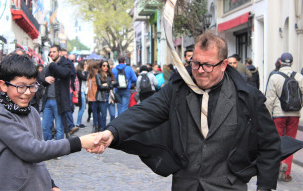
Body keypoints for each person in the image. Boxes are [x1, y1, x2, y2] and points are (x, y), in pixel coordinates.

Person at [92, 32, 281, 191]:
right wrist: (112, 131)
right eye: (195, 63)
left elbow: (269, 144)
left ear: (223, 65)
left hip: (228, 186)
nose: (199, 70)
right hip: (186, 184)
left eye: (208, 65)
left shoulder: (247, 98)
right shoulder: (177, 90)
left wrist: (265, 187)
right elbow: (145, 111)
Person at [0, 54, 98, 190]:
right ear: (4, 85)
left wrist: (50, 184)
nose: (27, 92)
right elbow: (32, 150)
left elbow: (39, 159)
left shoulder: (32, 112)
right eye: (21, 87)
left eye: (32, 86)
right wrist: (79, 142)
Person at [265, 52, 303, 182]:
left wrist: (267, 116)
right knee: (291, 141)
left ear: (280, 62)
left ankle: (278, 167)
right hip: (294, 115)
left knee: (277, 142)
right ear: (292, 63)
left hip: (278, 114)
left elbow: (269, 99)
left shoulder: (274, 77)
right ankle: (287, 173)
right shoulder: (299, 77)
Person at [42, 45, 78, 143]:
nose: (51, 54)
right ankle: (48, 148)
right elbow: (42, 79)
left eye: (54, 52)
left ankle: (58, 150)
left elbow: (64, 73)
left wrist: (52, 65)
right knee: (45, 127)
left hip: (59, 101)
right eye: (51, 52)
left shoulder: (66, 63)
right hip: (48, 100)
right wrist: (45, 79)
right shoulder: (50, 65)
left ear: (59, 53)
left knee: (59, 127)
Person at [60, 48, 78, 136]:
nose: (64, 57)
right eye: (63, 55)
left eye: (65, 55)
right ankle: (68, 127)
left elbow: (74, 78)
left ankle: (69, 127)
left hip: (68, 90)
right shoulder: (57, 64)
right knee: (65, 109)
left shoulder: (69, 64)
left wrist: (75, 90)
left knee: (68, 108)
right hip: (60, 91)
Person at [76, 60, 88, 128]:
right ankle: (78, 123)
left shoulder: (82, 72)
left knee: (82, 107)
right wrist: (86, 71)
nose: (86, 65)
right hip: (81, 91)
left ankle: (79, 122)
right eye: (85, 64)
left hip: (83, 91)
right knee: (82, 107)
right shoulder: (78, 72)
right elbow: (85, 78)